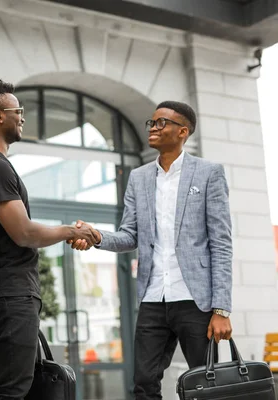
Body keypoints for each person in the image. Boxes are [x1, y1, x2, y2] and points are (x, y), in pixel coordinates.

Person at [73, 101, 233, 399]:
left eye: (162, 123)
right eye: (152, 122)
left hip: (195, 299)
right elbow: (129, 235)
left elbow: (221, 243)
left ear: (182, 131)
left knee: (206, 384)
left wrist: (221, 309)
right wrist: (96, 236)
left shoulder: (209, 173)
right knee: (144, 383)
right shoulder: (139, 177)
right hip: (153, 298)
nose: (153, 128)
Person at [0, 78, 98, 399]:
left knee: (14, 386)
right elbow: (23, 232)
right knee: (12, 389)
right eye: (18, 111)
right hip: (9, 295)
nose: (22, 117)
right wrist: (72, 230)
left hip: (5, 294)